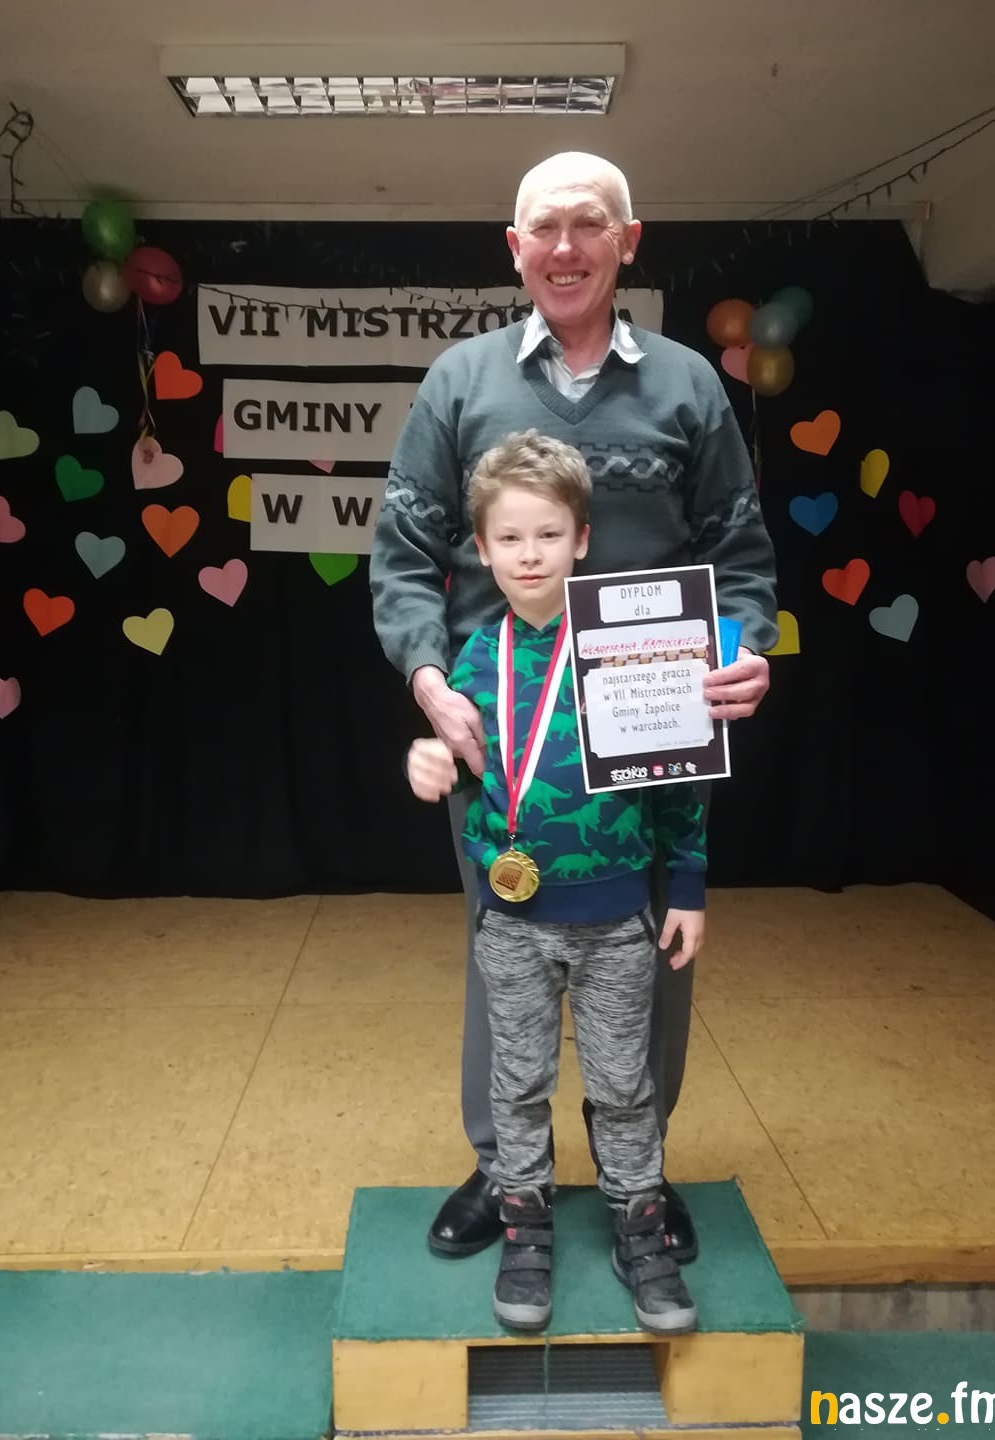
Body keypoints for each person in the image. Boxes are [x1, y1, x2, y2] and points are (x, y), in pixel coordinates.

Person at [371, 149, 778, 1265]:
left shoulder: (688, 385)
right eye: (543, 228)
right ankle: (506, 1168)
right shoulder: (461, 381)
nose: (565, 247)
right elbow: (401, 558)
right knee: (502, 955)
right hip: (503, 738)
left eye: (589, 224)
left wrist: (745, 650)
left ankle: (634, 1170)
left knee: (652, 958)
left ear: (627, 241)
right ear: (514, 249)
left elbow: (741, 555)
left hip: (655, 723)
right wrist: (430, 682)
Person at [407, 430, 702, 1333]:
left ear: (582, 540)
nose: (529, 554)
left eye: (547, 535)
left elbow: (677, 780)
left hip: (618, 918)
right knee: (518, 1081)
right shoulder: (474, 660)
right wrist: (430, 760)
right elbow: (460, 757)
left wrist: (689, 888)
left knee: (623, 1084)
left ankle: (638, 1223)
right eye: (509, 537)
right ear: (481, 548)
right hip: (513, 921)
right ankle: (525, 1224)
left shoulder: (629, 647)